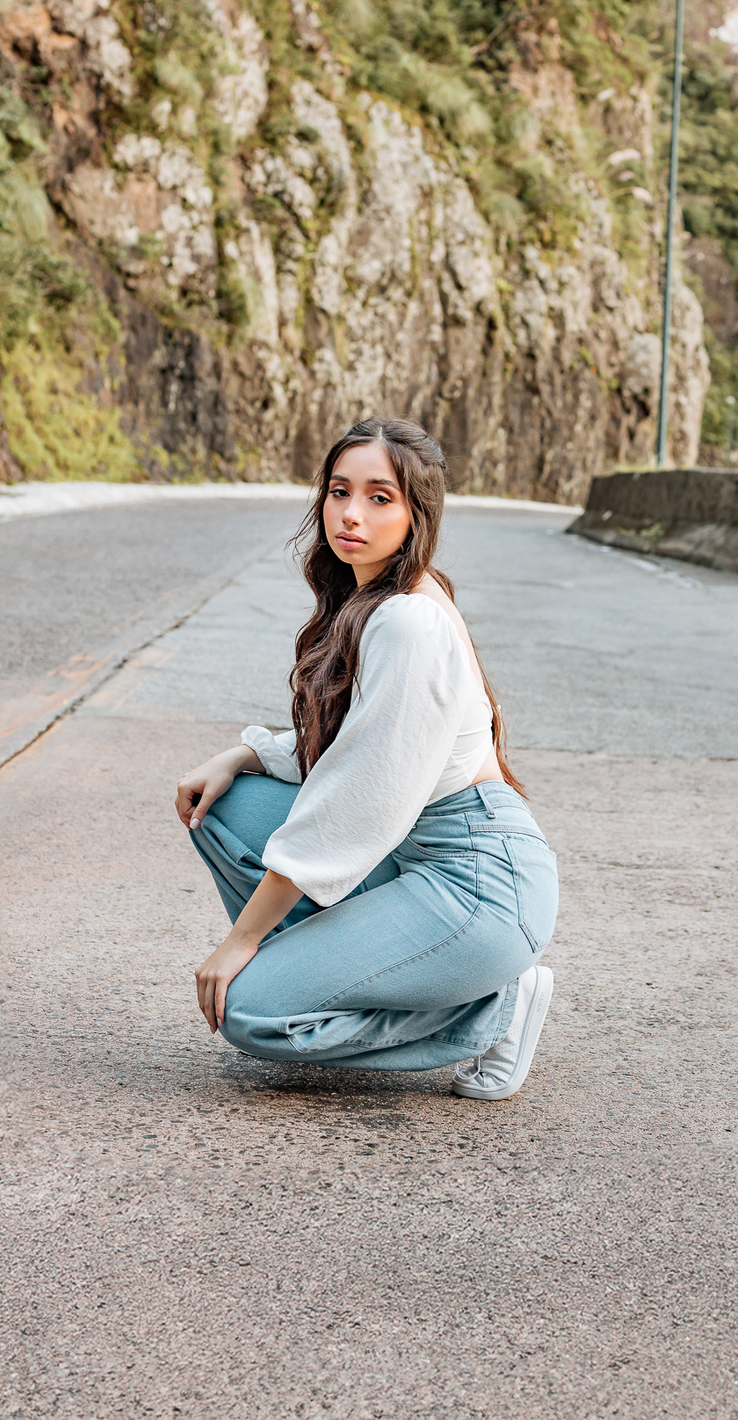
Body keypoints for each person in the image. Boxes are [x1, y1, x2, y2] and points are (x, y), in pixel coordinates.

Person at [174, 417, 559, 1100]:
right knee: (223, 806)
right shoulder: (376, 596)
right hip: (420, 852)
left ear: (417, 514)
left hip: (479, 887)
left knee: (251, 1009)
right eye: (338, 491)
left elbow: (354, 797)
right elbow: (358, 746)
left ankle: (491, 1008)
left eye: (380, 498)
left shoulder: (410, 620)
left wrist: (244, 939)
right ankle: (352, 962)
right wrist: (245, 754)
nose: (351, 514)